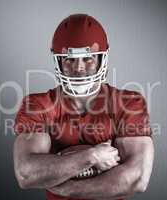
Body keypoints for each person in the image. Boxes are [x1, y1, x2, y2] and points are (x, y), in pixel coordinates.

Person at [13, 14, 154, 200]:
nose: (79, 68)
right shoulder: (38, 105)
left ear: (101, 60)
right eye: (70, 60)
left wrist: (65, 188)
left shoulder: (129, 103)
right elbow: (27, 174)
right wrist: (92, 156)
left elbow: (136, 179)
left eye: (88, 59)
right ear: (59, 61)